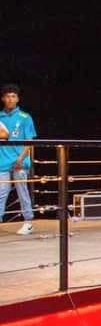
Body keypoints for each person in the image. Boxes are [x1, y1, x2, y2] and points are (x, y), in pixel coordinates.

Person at [0, 84, 36, 235]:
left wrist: (21, 158)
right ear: (3, 98)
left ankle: (28, 222)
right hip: (3, 161)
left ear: (18, 99)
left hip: (20, 161)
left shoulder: (25, 117)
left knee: (22, 191)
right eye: (7, 96)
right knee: (1, 192)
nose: (10, 99)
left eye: (13, 96)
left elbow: (30, 141)